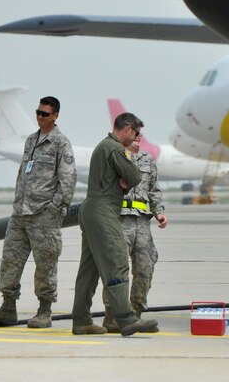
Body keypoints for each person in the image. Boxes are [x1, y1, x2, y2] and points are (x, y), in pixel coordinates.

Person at [0, 96, 77, 328]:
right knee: (10, 261)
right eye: (38, 112)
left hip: (43, 216)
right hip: (20, 214)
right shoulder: (31, 141)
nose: (40, 117)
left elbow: (68, 181)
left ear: (55, 116)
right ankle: (7, 307)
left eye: (45, 113)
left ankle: (44, 311)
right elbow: (24, 173)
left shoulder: (61, 143)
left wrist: (53, 210)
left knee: (45, 264)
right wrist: (17, 204)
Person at [71, 112, 159, 337]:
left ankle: (81, 321)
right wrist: (127, 169)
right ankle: (127, 320)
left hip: (91, 209)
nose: (137, 137)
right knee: (118, 261)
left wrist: (124, 178)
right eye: (137, 133)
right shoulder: (115, 148)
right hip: (104, 211)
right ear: (128, 128)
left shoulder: (103, 147)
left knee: (89, 270)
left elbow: (127, 178)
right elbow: (135, 177)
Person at [102, 135, 167, 333]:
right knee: (116, 268)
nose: (138, 137)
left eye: (140, 134)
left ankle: (135, 314)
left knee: (145, 267)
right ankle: (112, 316)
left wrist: (159, 212)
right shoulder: (114, 157)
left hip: (142, 222)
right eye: (134, 133)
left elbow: (154, 189)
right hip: (120, 219)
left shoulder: (147, 159)